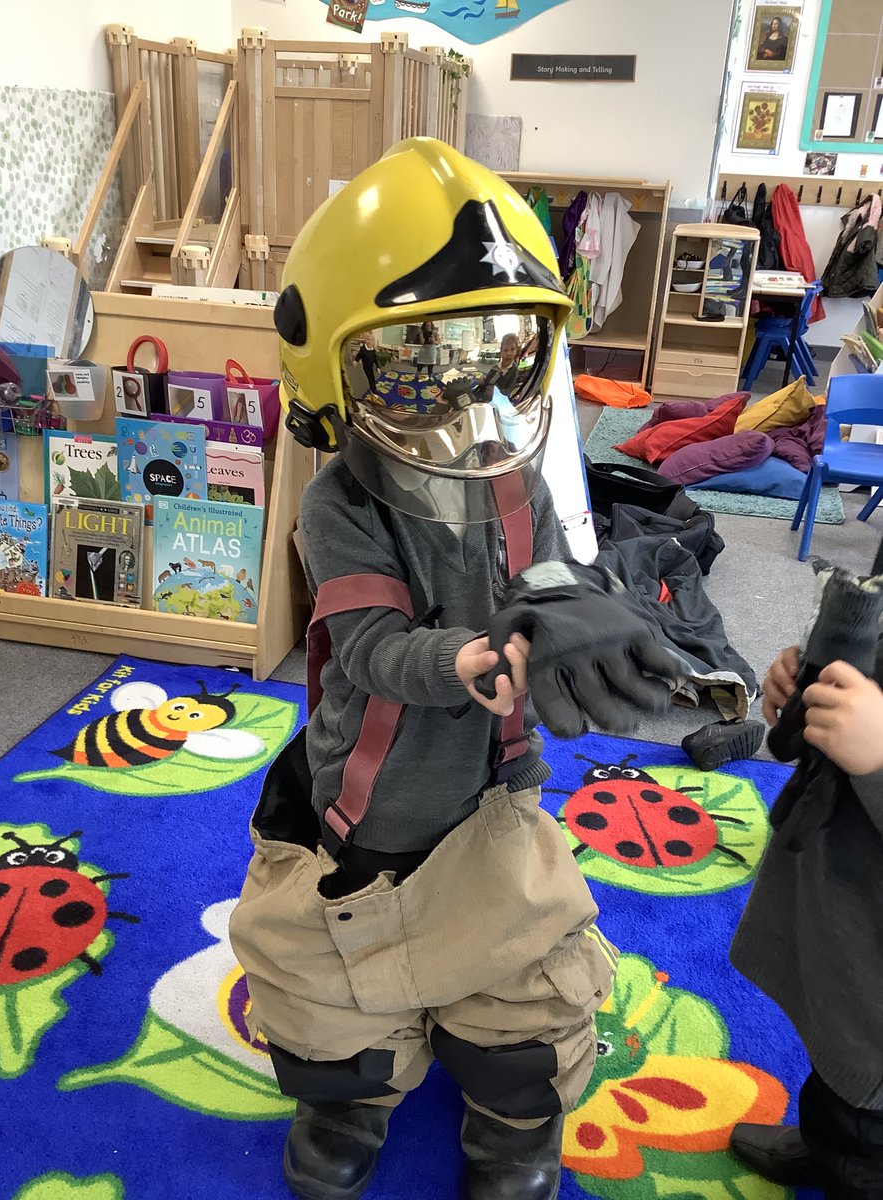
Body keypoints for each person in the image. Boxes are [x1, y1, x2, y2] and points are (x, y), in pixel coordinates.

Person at [229, 138, 678, 1200]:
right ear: (334, 370)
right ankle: (349, 1093)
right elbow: (376, 648)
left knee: (528, 1012)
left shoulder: (518, 472)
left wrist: (600, 611)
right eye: (421, 367)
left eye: (502, 356)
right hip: (366, 811)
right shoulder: (342, 502)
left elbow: (570, 565)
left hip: (490, 804)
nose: (472, 409)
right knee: (326, 1018)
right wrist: (475, 654)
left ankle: (514, 1121)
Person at [728, 566, 883, 1199]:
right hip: (848, 886)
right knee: (837, 1065)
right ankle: (829, 1148)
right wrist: (812, 694)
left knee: (865, 1111)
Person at [352, 330, 377, 395]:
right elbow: (359, 355)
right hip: (366, 367)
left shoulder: (373, 349)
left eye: (371, 340)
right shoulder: (363, 349)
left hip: (371, 366)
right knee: (371, 378)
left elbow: (375, 358)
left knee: (372, 377)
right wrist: (356, 360)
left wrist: (378, 367)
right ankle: (373, 390)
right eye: (368, 339)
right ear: (365, 340)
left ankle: (373, 388)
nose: (370, 341)